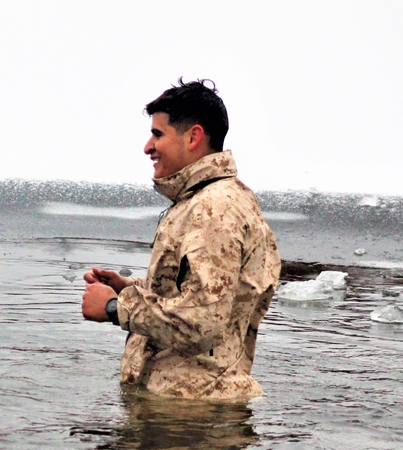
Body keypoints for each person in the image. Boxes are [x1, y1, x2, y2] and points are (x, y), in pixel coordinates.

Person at [82, 79, 280, 400]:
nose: (147, 146)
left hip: (193, 417)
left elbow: (203, 318)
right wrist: (129, 287)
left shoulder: (214, 208)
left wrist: (114, 307)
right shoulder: (205, 200)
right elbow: (199, 291)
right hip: (184, 405)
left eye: (158, 134)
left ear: (193, 137)